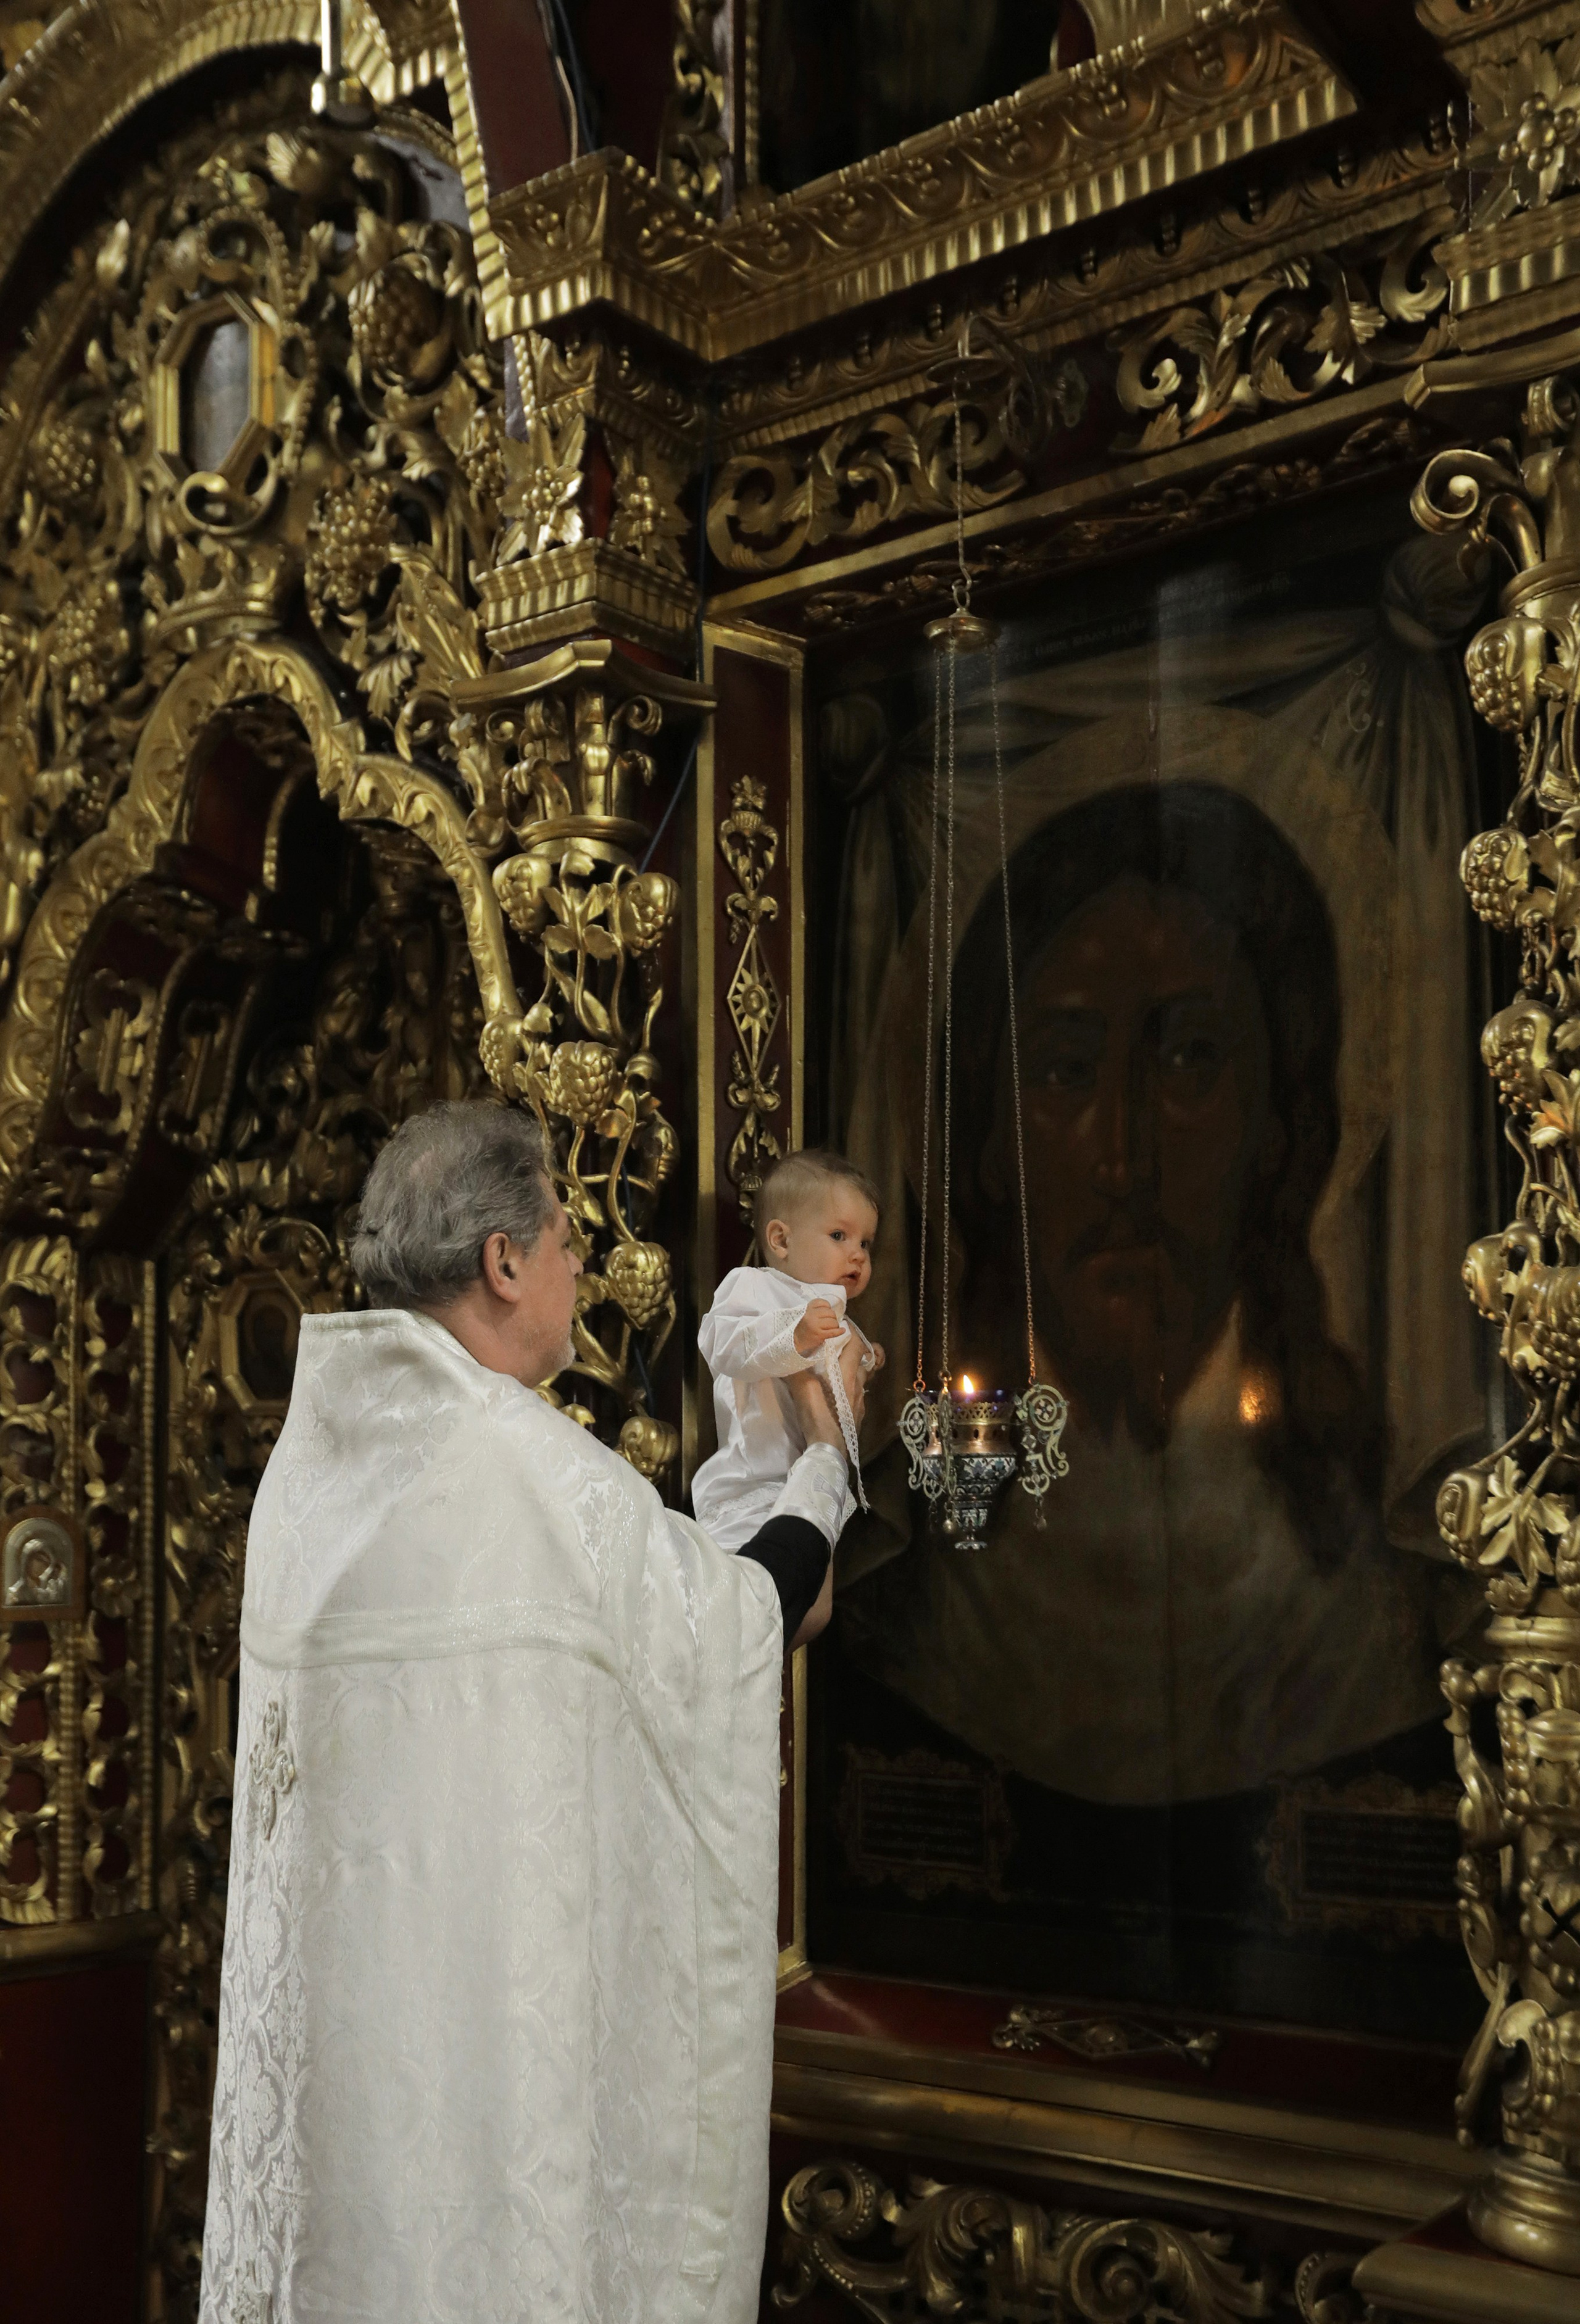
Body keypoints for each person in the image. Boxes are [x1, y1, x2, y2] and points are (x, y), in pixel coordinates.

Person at [199, 1100, 857, 2324]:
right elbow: (750, 1623)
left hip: (348, 2105)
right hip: (480, 2097)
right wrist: (821, 1466)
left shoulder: (312, 1465)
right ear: (502, 1261)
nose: (575, 1267)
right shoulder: (518, 1462)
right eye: (564, 1237)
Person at [693, 1148, 884, 1555]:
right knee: (760, 1589)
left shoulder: (834, 1309)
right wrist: (792, 1337)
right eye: (839, 1236)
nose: (858, 1255)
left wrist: (868, 1356)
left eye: (866, 1243)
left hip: (810, 1482)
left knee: (803, 1593)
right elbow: (722, 1344)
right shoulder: (753, 1287)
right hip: (753, 1484)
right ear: (781, 1239)